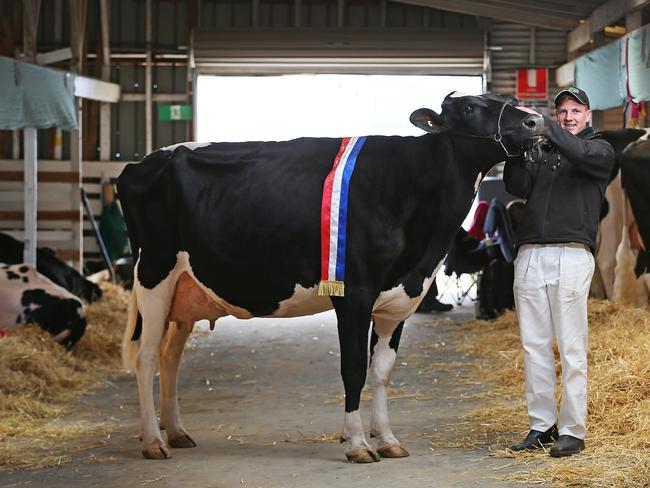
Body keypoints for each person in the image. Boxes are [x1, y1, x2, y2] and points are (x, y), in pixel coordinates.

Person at [503, 87, 615, 457]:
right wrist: (520, 149)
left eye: (575, 110)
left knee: (571, 347)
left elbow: (585, 156)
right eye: (562, 110)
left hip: (571, 253)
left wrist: (548, 130)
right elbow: (516, 188)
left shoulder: (599, 149)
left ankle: (573, 430)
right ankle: (542, 425)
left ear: (588, 115)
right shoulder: (542, 151)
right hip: (531, 251)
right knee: (533, 345)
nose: (568, 116)